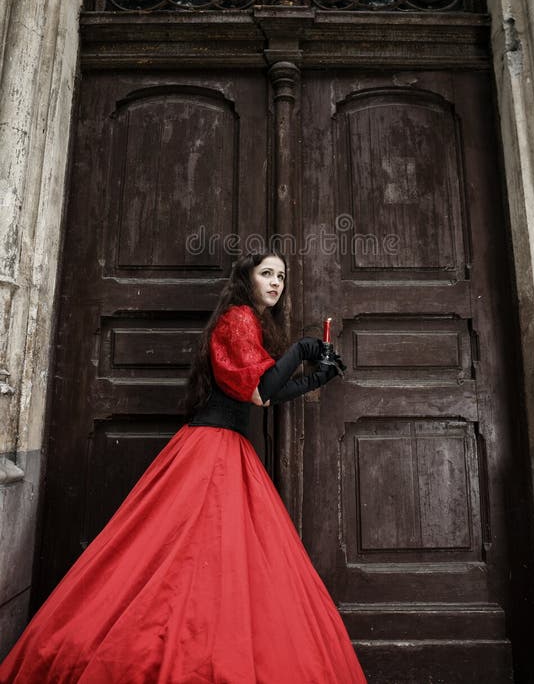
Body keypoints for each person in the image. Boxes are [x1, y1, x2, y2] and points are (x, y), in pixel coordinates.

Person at [0, 251, 367, 683]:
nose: (275, 283)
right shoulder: (238, 318)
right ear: (245, 278)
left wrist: (316, 379)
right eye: (266, 273)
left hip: (227, 446)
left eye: (281, 276)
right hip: (210, 450)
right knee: (190, 554)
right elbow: (261, 387)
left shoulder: (251, 323)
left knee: (203, 556)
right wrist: (305, 349)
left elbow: (262, 396)